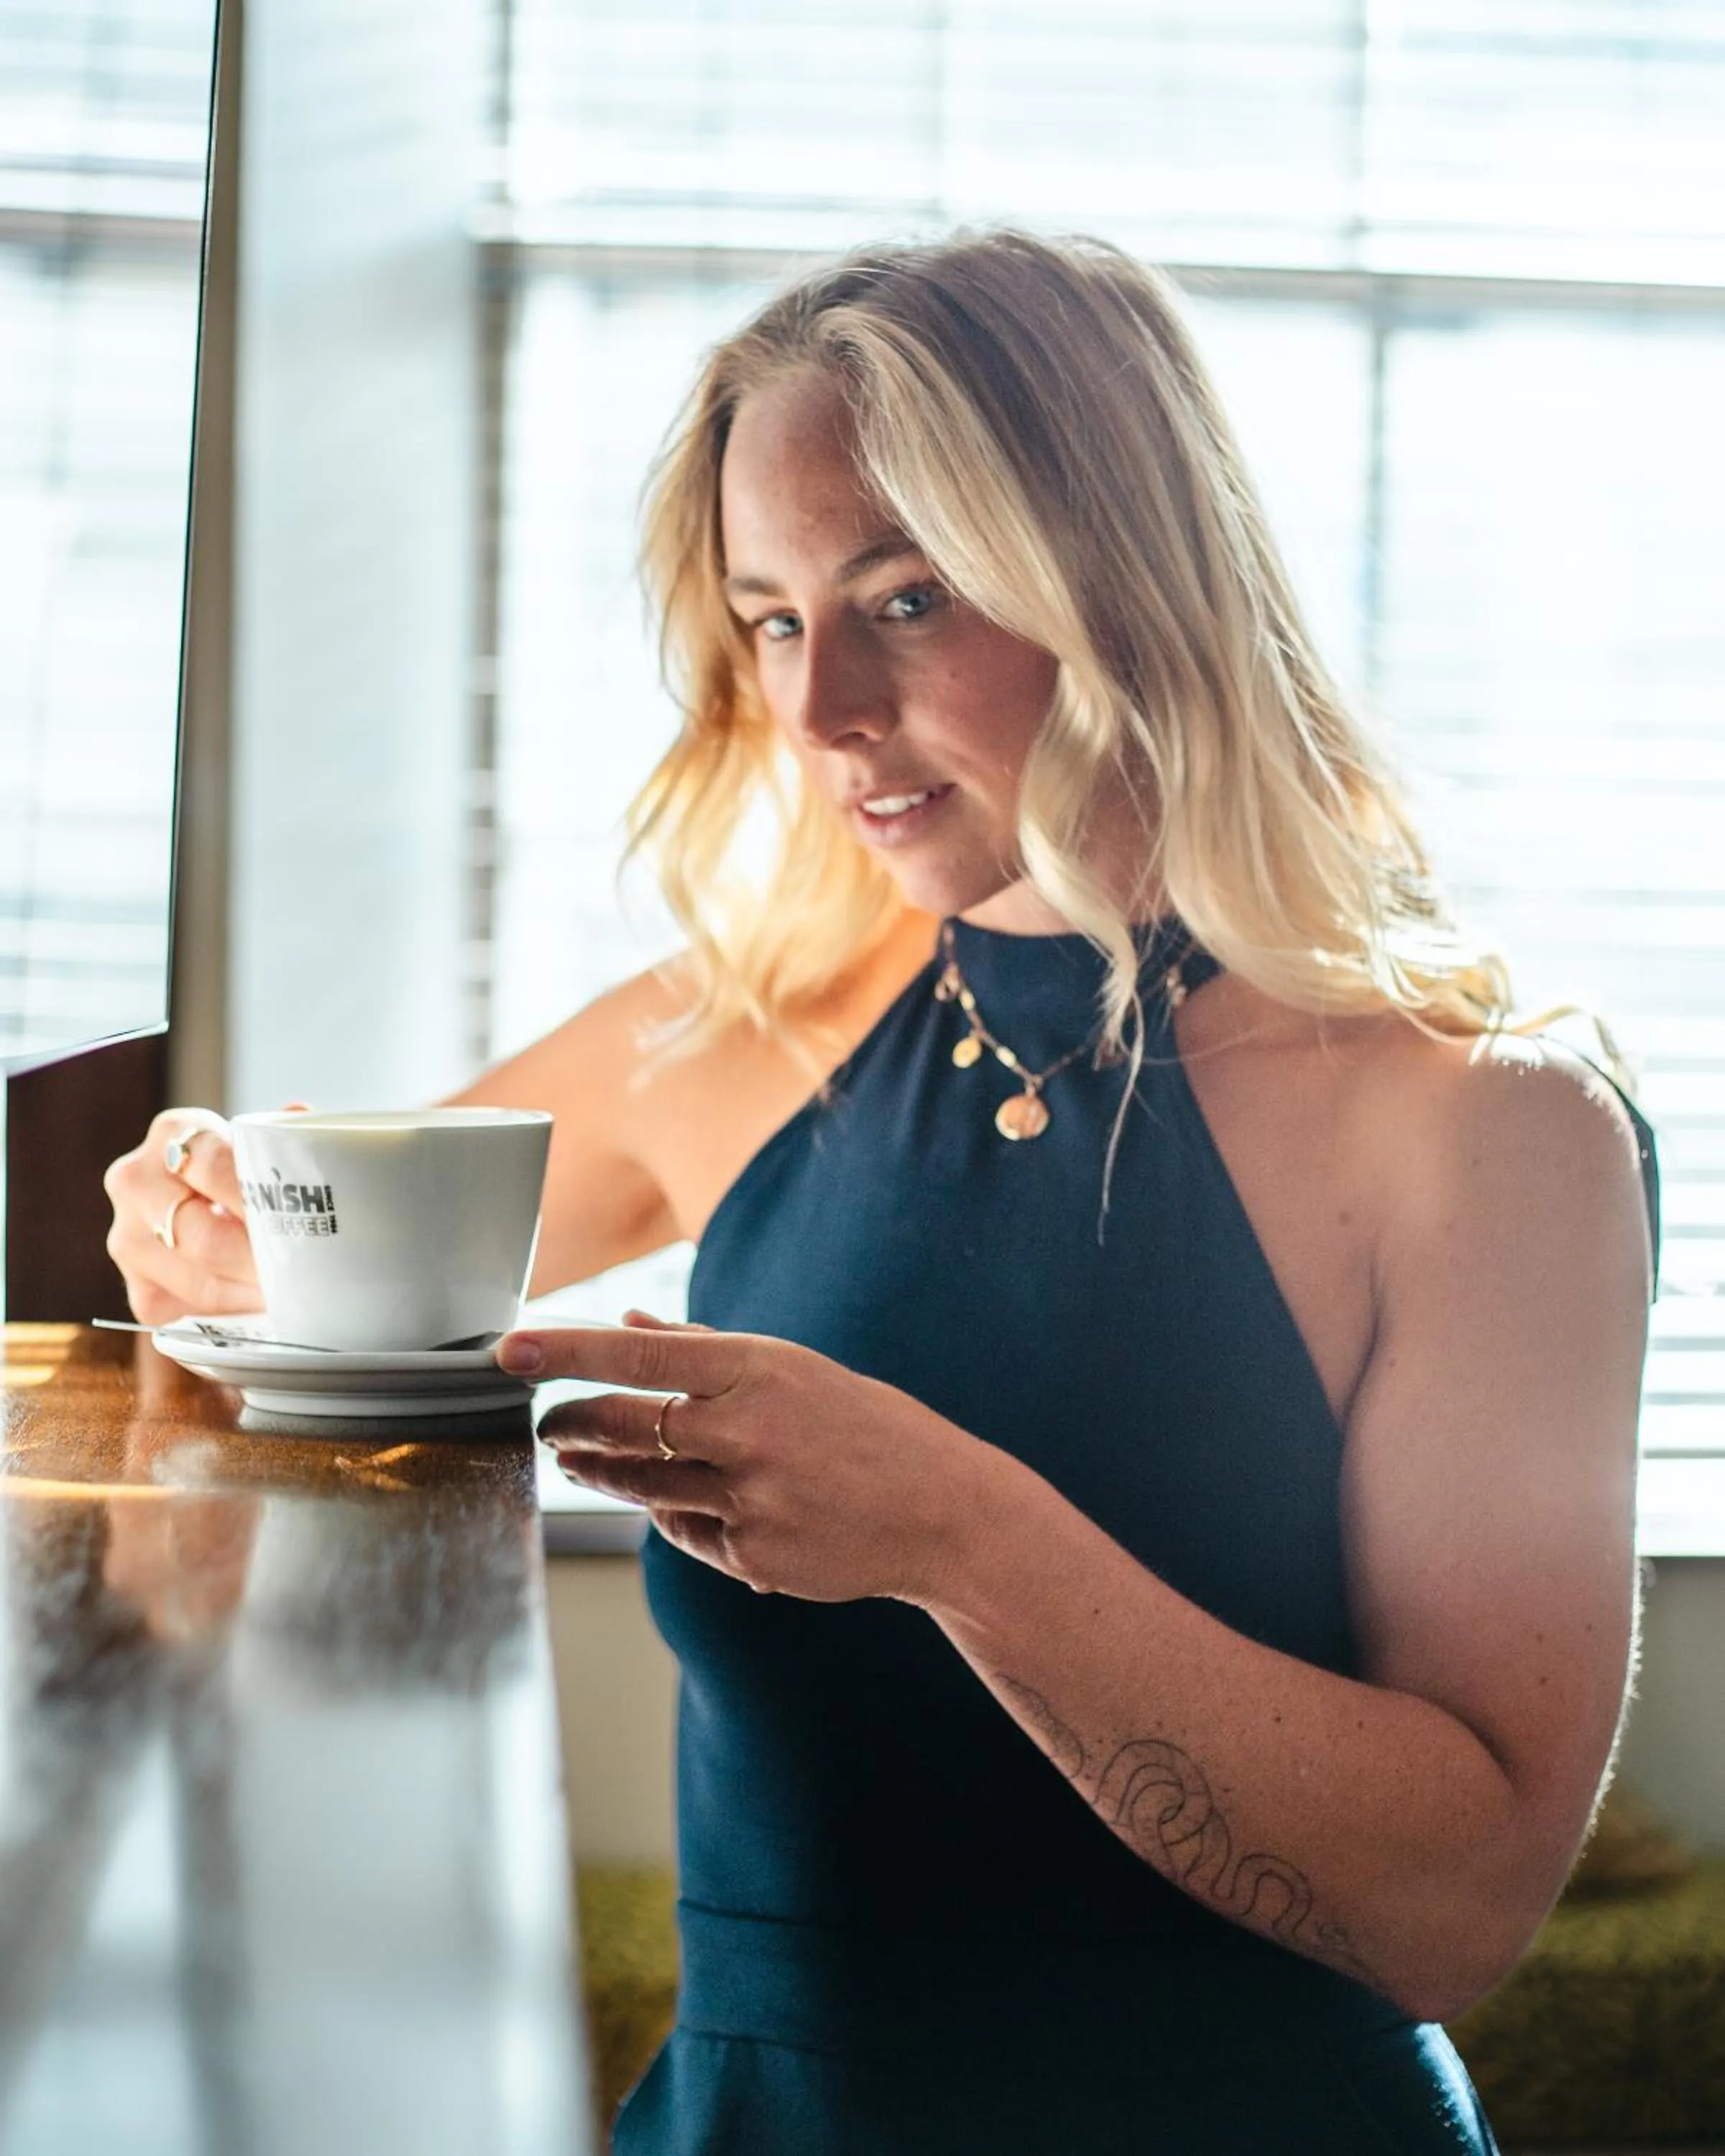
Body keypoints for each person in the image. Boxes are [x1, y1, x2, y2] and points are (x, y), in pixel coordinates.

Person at [106, 229, 1657, 2154]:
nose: (821, 708)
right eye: (768, 620)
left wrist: (959, 1535)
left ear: (1129, 585)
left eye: (905, 599)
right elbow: (325, 1282)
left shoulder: (1485, 1129)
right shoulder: (739, 1030)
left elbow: (1459, 1911)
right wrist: (201, 1241)